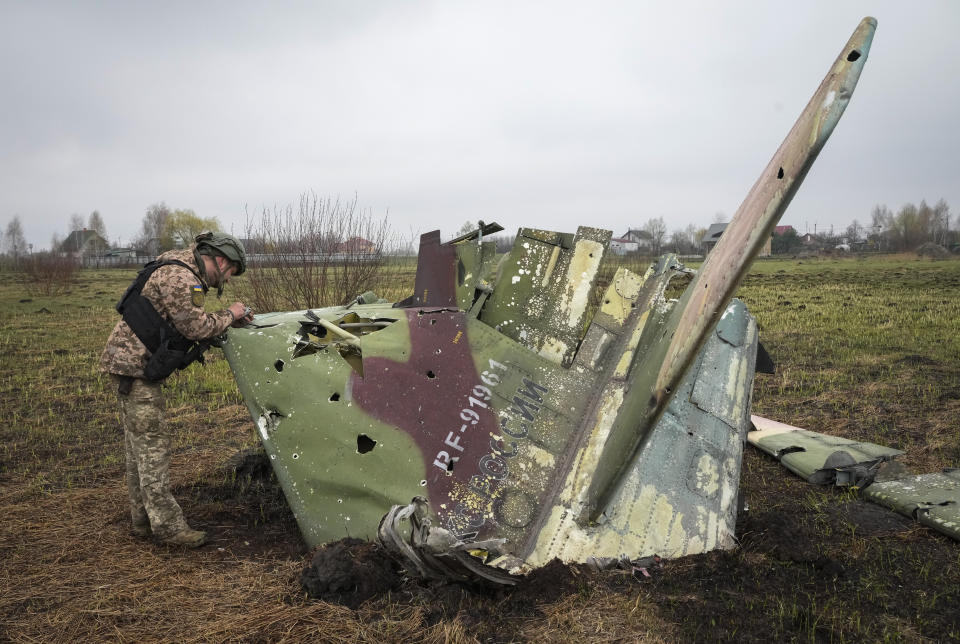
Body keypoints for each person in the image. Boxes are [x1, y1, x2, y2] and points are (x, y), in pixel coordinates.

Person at [100, 232, 254, 547]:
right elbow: (196, 327)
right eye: (228, 274)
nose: (223, 281)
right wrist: (232, 313)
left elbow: (186, 320)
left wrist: (225, 320)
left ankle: (143, 521)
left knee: (138, 450)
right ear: (221, 260)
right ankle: (168, 529)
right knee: (152, 449)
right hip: (135, 368)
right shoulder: (186, 278)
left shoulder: (174, 265)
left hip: (128, 365)